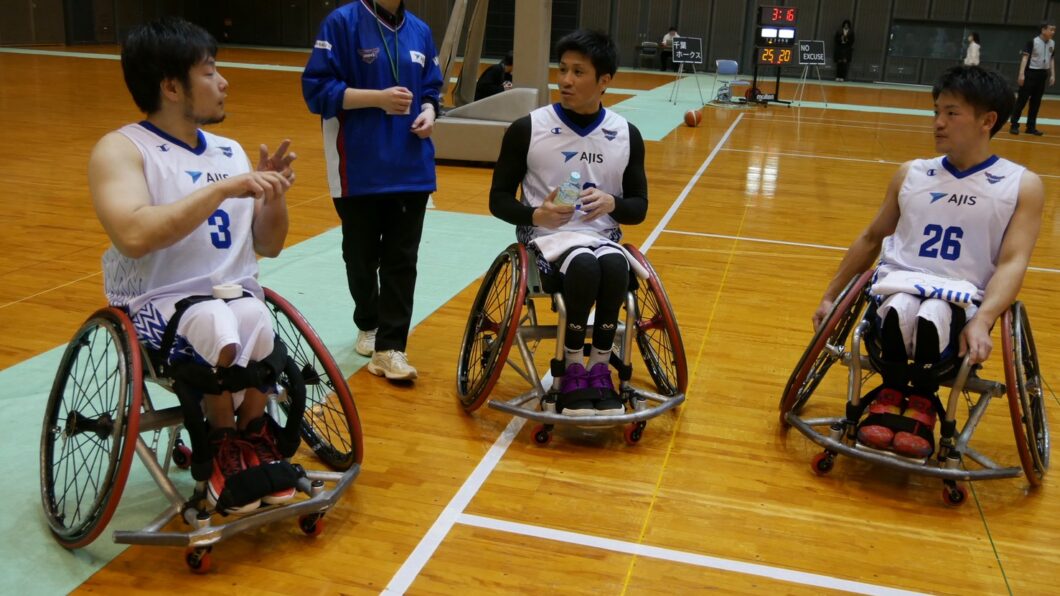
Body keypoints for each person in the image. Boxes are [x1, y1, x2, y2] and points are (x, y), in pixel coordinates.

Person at [90, 17, 298, 513]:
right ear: (170, 87)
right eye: (209, 72)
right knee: (212, 322)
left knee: (255, 317)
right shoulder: (121, 149)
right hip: (159, 301)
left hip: (232, 293)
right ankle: (219, 440)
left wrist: (272, 197)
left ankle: (252, 433)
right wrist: (223, 190)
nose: (223, 82)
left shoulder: (230, 151)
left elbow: (269, 245)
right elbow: (134, 235)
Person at [812, 65, 1043, 459]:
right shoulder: (911, 173)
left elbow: (1012, 262)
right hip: (898, 287)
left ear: (987, 120)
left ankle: (921, 405)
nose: (938, 122)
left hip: (961, 302)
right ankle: (888, 397)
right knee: (901, 307)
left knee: (933, 313)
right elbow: (871, 238)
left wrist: (985, 320)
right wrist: (830, 296)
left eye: (952, 113)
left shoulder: (1021, 185)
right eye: (936, 111)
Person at [489, 29, 648, 417]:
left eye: (578, 72)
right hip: (546, 238)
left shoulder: (626, 134)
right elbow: (497, 200)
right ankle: (573, 367)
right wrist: (535, 214)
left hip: (601, 237)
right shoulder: (528, 128)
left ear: (604, 80)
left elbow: (639, 208)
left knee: (614, 265)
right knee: (584, 266)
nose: (565, 80)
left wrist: (613, 203)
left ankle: (600, 368)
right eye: (562, 70)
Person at [302, 0, 443, 381]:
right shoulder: (342, 22)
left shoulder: (420, 31)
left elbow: (432, 88)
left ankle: (390, 348)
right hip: (358, 168)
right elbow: (317, 91)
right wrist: (378, 99)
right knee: (360, 256)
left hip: (411, 166)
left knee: (402, 260)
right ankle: (368, 321)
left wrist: (430, 111)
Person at [1009, 21, 1055, 136]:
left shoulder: (1052, 43)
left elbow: (1051, 59)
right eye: (1051, 29)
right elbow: (1025, 58)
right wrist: (1021, 74)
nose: (1053, 32)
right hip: (1030, 73)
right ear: (1043, 30)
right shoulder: (1033, 42)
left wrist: (1052, 74)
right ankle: (1014, 125)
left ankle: (1030, 127)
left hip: (1042, 74)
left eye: (1054, 30)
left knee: (1036, 102)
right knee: (1022, 100)